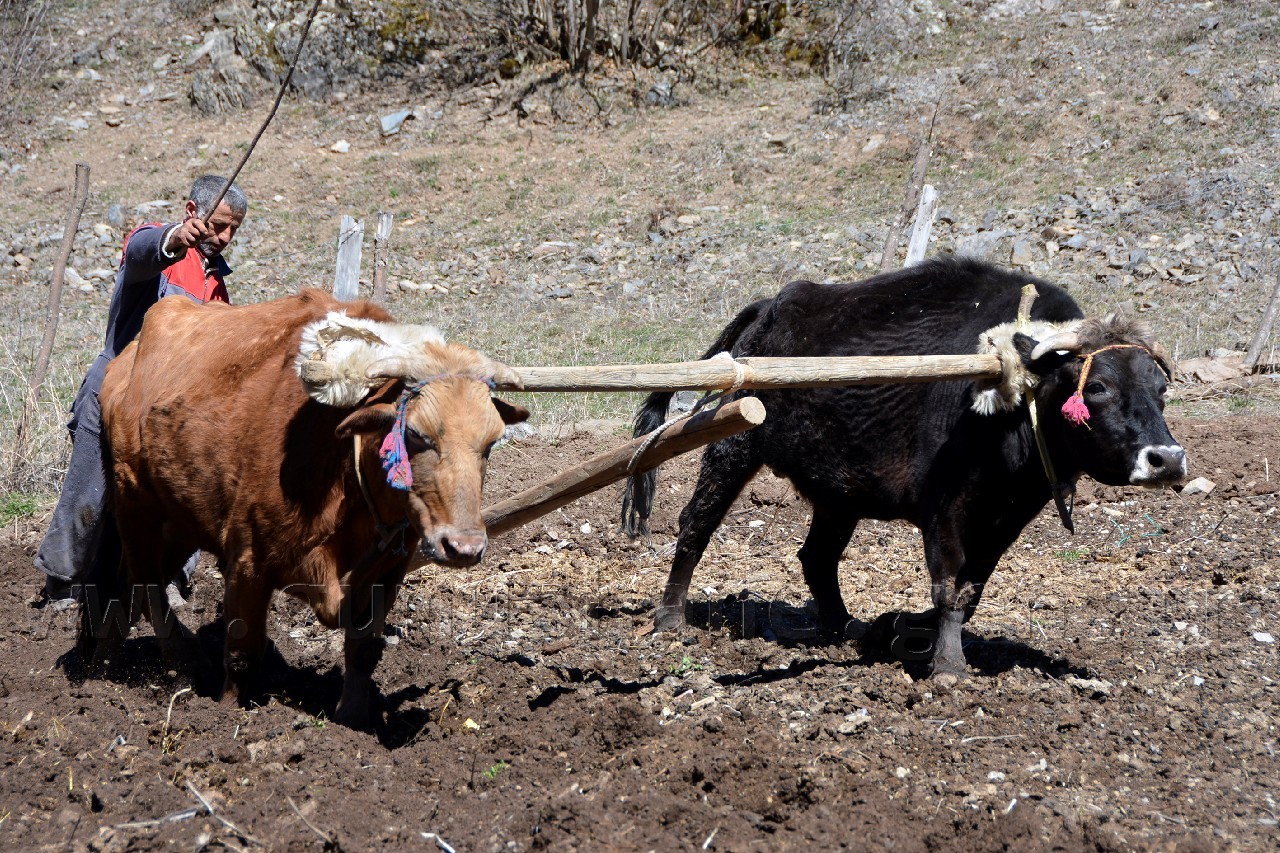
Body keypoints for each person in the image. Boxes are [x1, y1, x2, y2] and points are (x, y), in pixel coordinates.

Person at [34, 175, 248, 609]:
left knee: (180, 493)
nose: (224, 238)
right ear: (193, 213)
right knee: (90, 489)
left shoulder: (218, 289)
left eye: (233, 231)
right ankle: (62, 580)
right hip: (114, 385)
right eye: (218, 225)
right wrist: (174, 238)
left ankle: (166, 579)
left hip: (167, 411)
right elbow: (142, 249)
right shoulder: (159, 250)